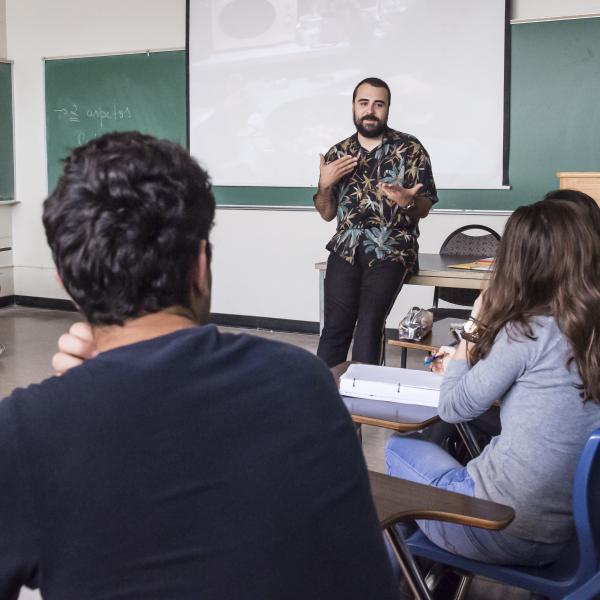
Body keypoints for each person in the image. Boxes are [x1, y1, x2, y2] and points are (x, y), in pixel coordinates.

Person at [0, 131, 399, 599]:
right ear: (201, 265)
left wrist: (73, 403)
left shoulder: (23, 434)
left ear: (66, 283)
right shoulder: (304, 381)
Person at [385, 198, 600, 565]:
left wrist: (474, 327)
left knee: (397, 448)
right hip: (572, 532)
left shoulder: (527, 331)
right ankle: (424, 567)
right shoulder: (586, 326)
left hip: (502, 528)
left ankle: (413, 570)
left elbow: (451, 408)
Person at [314, 76, 439, 367]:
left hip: (392, 246)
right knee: (335, 326)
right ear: (354, 107)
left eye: (378, 104)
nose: (371, 110)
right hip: (346, 246)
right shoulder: (337, 153)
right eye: (364, 103)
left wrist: (408, 200)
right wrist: (324, 184)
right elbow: (326, 213)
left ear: (387, 109)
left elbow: (424, 208)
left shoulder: (410, 149)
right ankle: (320, 400)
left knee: (369, 323)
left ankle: (363, 404)